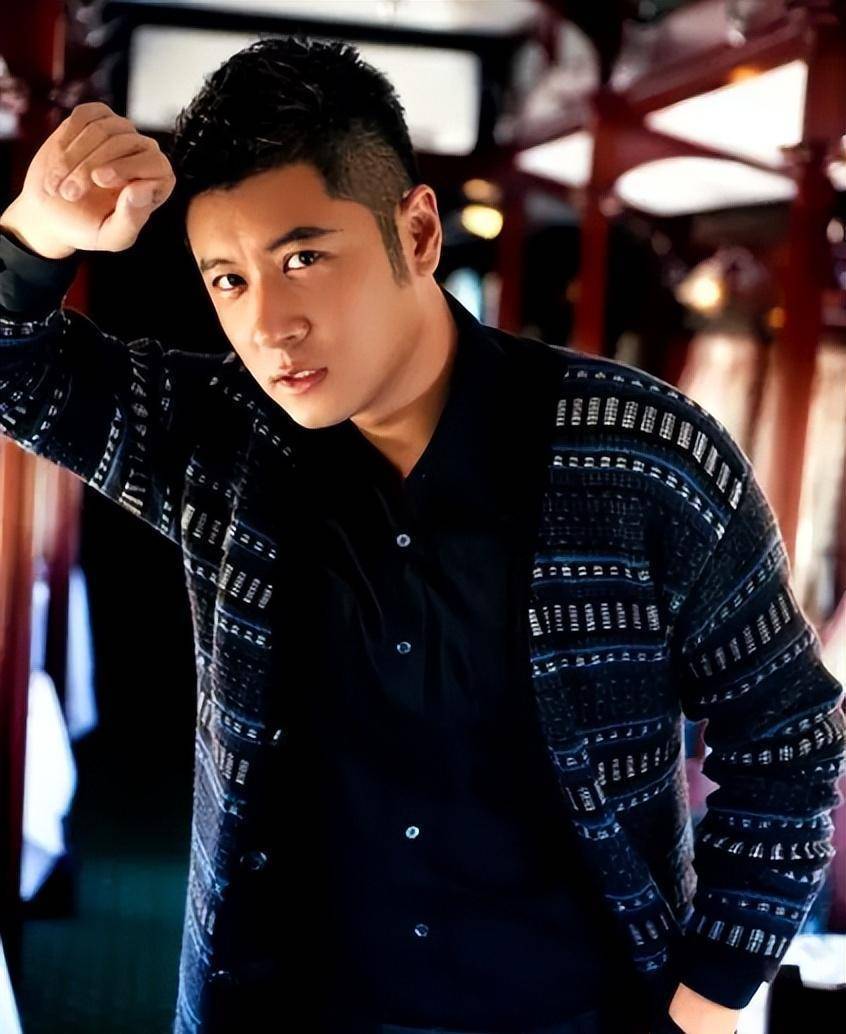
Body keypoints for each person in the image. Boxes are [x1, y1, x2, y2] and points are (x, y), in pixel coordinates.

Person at [0, 34, 843, 1034]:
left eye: (303, 258)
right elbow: (19, 372)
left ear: (419, 231)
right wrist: (32, 233)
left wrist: (705, 1003)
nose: (269, 324)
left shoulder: (644, 453)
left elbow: (787, 737)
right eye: (228, 279)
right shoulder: (222, 441)